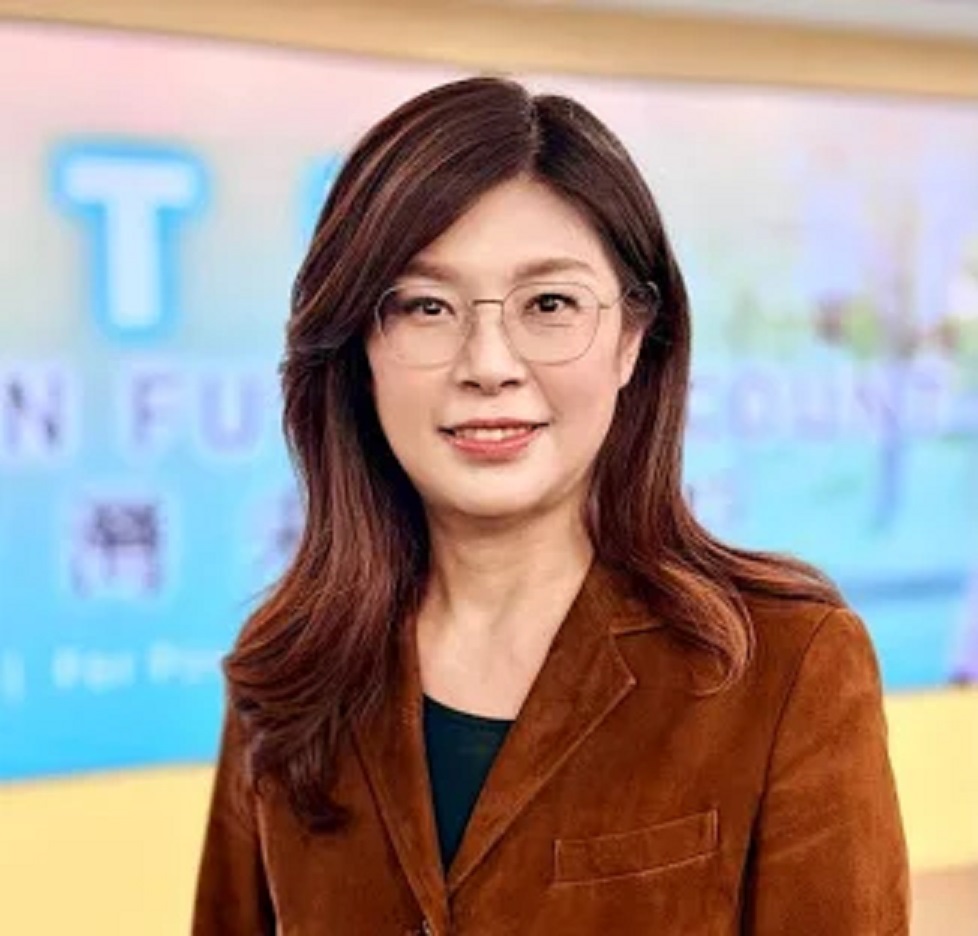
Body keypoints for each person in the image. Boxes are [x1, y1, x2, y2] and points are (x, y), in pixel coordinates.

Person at [193, 77, 909, 935]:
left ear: (632, 339)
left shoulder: (783, 664)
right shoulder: (290, 668)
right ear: (359, 349)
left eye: (549, 304)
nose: (488, 364)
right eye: (426, 306)